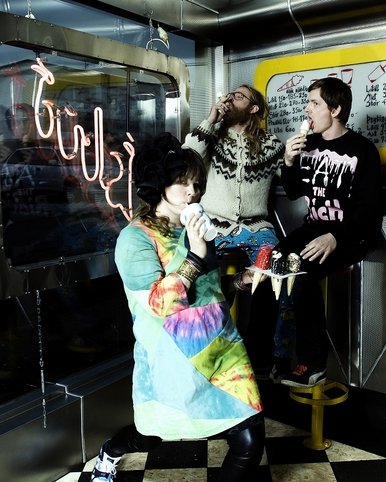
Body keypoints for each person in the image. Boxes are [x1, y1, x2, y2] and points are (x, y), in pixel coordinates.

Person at [91, 132, 264, 482]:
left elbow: (206, 293)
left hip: (223, 350)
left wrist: (238, 282)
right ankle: (111, 451)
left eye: (197, 184)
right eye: (183, 183)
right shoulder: (135, 238)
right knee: (151, 436)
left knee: (250, 438)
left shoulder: (195, 228)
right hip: (172, 360)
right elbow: (161, 304)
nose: (192, 192)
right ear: (160, 184)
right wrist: (196, 254)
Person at [276, 77, 383, 388]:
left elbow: (369, 209)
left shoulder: (363, 149)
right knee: (273, 262)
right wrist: (289, 160)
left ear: (335, 110)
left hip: (350, 235)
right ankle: (268, 357)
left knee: (302, 274)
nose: (307, 109)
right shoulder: (308, 144)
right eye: (308, 103)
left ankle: (313, 364)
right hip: (313, 228)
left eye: (314, 103)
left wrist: (336, 237)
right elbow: (293, 192)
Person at [183, 85, 293, 380]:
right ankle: (206, 350)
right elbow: (187, 157)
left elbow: (292, 182)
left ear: (254, 109)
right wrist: (210, 119)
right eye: (230, 95)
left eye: (239, 97)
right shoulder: (213, 137)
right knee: (200, 276)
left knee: (279, 273)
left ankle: (267, 356)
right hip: (213, 225)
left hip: (257, 227)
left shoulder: (271, 144)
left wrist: (292, 159)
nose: (231, 99)